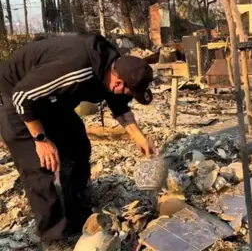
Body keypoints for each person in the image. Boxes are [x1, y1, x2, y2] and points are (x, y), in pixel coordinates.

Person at [0, 35, 156, 250]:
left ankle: (77, 213)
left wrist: (139, 137)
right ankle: (52, 236)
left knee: (77, 146)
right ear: (118, 82)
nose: (130, 96)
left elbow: (119, 105)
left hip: (51, 100)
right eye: (132, 92)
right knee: (40, 165)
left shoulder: (116, 68)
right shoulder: (77, 67)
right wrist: (41, 139)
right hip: (15, 97)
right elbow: (22, 96)